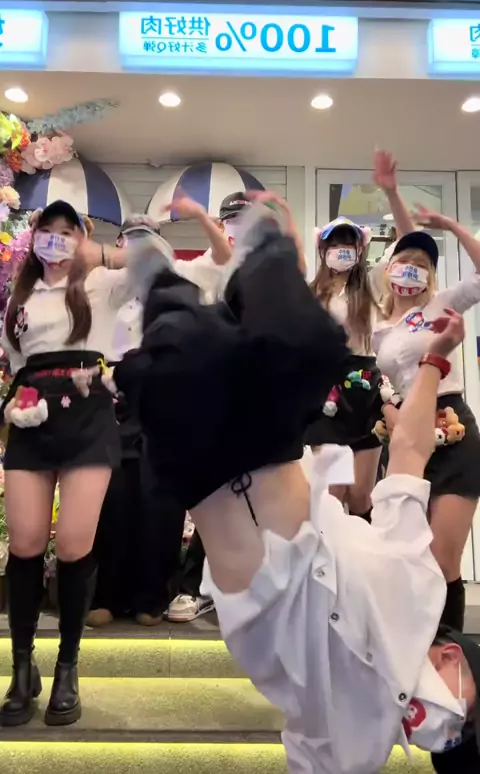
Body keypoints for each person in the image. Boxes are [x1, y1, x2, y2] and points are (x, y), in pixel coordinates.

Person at [117, 204, 480, 774]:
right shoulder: (421, 587)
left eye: (456, 741)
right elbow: (410, 453)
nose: (451, 729)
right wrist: (435, 362)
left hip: (202, 474)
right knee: (310, 345)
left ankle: (154, 274)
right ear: (455, 655)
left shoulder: (352, 745)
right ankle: (260, 247)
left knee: (180, 354)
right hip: (271, 449)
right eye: (468, 719)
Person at [0, 199, 142, 728]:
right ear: (33, 237)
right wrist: (13, 406)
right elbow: (17, 366)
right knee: (25, 543)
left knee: (75, 544)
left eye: (68, 231)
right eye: (48, 230)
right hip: (33, 419)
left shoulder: (102, 284)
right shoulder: (19, 298)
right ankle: (21, 670)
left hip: (88, 418)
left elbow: (156, 259)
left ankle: (67, 667)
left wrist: (97, 253)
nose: (56, 239)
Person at [88, 204, 231, 627]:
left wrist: (203, 219)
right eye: (132, 243)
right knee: (112, 499)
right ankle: (107, 595)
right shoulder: (102, 283)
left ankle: (151, 597)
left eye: (148, 244)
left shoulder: (183, 278)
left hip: (164, 396)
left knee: (160, 501)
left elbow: (222, 259)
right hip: (112, 394)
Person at [373, 203, 480, 634]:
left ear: (430, 276)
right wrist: (390, 414)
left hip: (452, 427)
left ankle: (447, 652)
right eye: (405, 261)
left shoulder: (440, 304)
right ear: (389, 270)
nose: (411, 269)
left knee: (442, 558)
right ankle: (406, 646)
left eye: (421, 264)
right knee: (404, 553)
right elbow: (380, 382)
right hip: (404, 438)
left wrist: (451, 225)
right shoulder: (379, 328)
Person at [305, 151, 415, 520]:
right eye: (335, 243)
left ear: (360, 249)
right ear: (323, 249)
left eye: (349, 244)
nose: (342, 250)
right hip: (326, 391)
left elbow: (409, 242)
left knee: (361, 496)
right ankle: (329, 556)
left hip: (366, 386)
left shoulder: (371, 285)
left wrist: (392, 192)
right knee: (331, 494)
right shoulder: (311, 294)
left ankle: (361, 555)